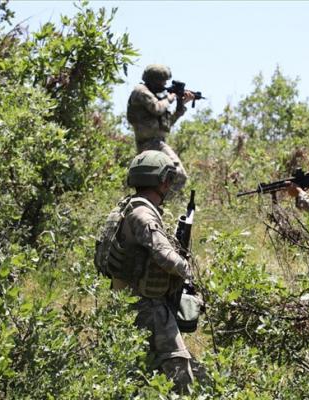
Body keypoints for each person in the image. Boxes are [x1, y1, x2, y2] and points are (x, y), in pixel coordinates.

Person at [109, 150, 194, 393]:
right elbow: (164, 255)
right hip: (148, 306)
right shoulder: (144, 215)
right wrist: (190, 273)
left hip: (130, 302)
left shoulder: (129, 207)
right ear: (162, 180)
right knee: (179, 371)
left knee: (140, 372)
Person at [127, 64, 195, 192]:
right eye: (162, 82)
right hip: (150, 143)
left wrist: (182, 104)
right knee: (178, 174)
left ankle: (161, 204)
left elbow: (166, 125)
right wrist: (171, 97)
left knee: (161, 179)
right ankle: (163, 203)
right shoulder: (140, 91)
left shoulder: (156, 96)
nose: (164, 85)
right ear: (154, 80)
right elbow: (157, 108)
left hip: (156, 142)